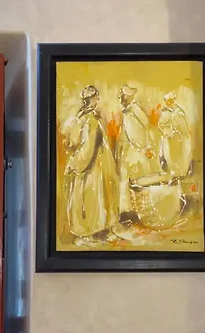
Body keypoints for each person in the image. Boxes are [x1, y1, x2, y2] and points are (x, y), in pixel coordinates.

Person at [63, 85, 119, 246]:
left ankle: (100, 230)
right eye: (96, 97)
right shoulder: (90, 120)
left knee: (99, 197)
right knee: (92, 198)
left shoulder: (87, 117)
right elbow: (87, 148)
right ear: (91, 99)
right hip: (91, 167)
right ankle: (88, 234)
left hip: (98, 164)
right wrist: (75, 163)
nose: (98, 99)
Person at [116, 84, 157, 222]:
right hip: (138, 152)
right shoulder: (136, 111)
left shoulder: (129, 114)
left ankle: (128, 212)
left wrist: (143, 148)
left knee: (129, 180)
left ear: (126, 98)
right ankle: (136, 211)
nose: (120, 98)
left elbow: (135, 135)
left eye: (122, 96)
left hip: (132, 153)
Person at [158, 91, 192, 178]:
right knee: (170, 156)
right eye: (168, 100)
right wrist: (170, 131)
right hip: (170, 139)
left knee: (183, 155)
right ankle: (174, 174)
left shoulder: (179, 111)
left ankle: (182, 173)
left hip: (181, 138)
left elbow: (185, 125)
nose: (170, 102)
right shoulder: (165, 112)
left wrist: (183, 133)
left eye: (171, 100)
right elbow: (161, 125)